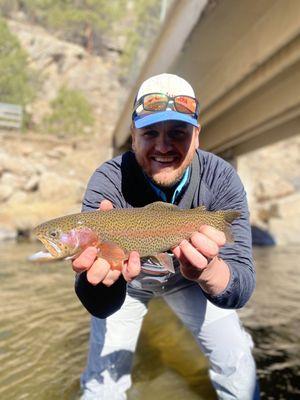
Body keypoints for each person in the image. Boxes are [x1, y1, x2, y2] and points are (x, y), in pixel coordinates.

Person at [73, 73, 260, 400]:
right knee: (102, 384)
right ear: (133, 137)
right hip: (130, 284)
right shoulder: (108, 182)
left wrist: (209, 271)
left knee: (239, 366)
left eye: (178, 133)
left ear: (197, 137)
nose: (163, 146)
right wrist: (103, 281)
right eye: (150, 133)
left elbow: (241, 286)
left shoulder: (221, 180)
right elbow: (99, 307)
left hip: (192, 281)